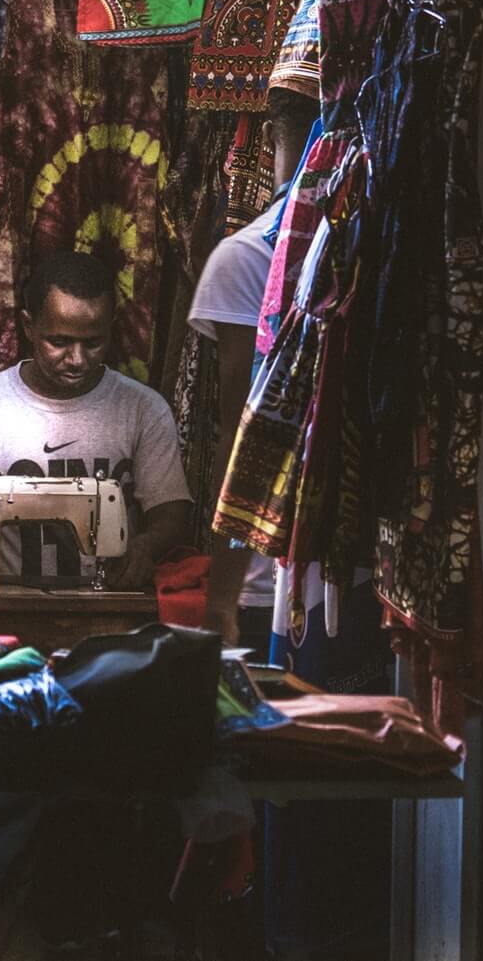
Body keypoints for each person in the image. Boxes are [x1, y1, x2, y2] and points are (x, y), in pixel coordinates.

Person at [0, 251, 191, 590]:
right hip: (3, 603)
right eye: (59, 342)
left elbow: (170, 512)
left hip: (108, 602)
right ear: (28, 326)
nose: (77, 360)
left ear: (111, 329)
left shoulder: (143, 409)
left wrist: (143, 546)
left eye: (94, 343)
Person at [189, 85, 319, 646]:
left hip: (287, 562)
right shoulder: (250, 256)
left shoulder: (245, 255)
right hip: (284, 563)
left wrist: (221, 598)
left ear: (268, 139)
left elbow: (236, 433)